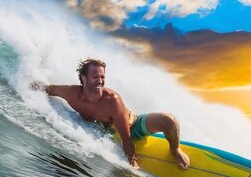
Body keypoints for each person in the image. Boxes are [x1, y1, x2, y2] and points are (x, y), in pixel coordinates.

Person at [31, 58, 190, 170]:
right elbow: (47, 89)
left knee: (168, 120)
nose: (100, 80)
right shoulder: (71, 93)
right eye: (95, 77)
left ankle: (175, 149)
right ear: (83, 78)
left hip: (132, 128)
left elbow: (127, 138)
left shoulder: (112, 101)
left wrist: (131, 162)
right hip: (105, 130)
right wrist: (20, 83)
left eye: (102, 77)